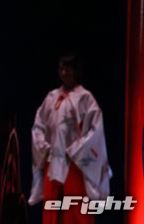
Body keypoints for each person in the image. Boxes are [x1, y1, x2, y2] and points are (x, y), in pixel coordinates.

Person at [28, 52, 112, 224]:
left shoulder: (85, 98)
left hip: (75, 164)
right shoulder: (52, 97)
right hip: (53, 162)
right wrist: (44, 147)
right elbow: (38, 126)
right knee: (52, 211)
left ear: (76, 71)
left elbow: (95, 131)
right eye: (62, 69)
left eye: (68, 69)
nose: (64, 73)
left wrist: (75, 150)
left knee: (76, 211)